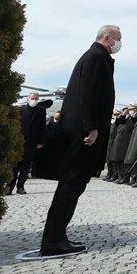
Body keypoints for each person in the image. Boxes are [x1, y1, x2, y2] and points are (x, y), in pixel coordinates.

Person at [38, 25, 119, 256]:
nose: (119, 44)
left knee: (72, 185)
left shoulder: (96, 57)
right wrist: (91, 127)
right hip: (82, 137)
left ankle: (56, 236)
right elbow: (87, 95)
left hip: (80, 135)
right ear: (107, 38)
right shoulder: (95, 58)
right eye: (117, 39)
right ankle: (54, 240)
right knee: (72, 184)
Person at [8, 92, 49, 195]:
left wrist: (41, 141)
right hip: (19, 141)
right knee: (15, 165)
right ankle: (9, 187)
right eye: (32, 98)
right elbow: (14, 125)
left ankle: (20, 186)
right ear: (28, 98)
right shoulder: (20, 109)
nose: (34, 100)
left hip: (32, 142)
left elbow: (42, 127)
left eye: (36, 98)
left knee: (26, 166)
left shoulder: (41, 110)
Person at [106, 105, 137, 181]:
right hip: (119, 142)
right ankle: (117, 175)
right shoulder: (125, 118)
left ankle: (122, 176)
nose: (129, 111)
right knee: (116, 159)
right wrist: (123, 115)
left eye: (131, 109)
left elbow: (132, 125)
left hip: (126, 142)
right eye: (128, 110)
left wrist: (132, 116)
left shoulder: (133, 118)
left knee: (122, 161)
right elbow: (118, 123)